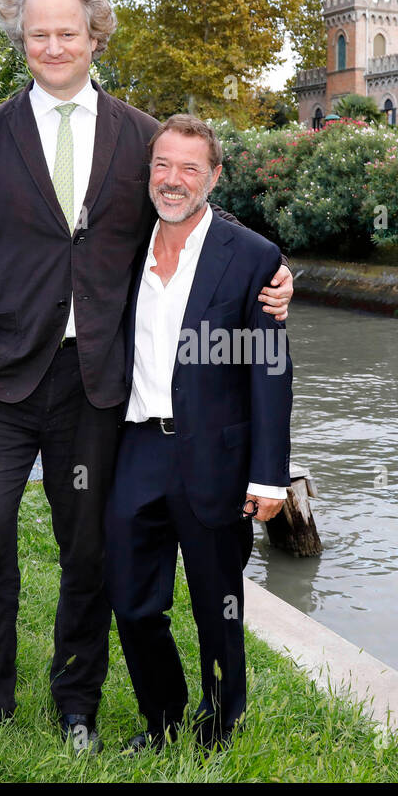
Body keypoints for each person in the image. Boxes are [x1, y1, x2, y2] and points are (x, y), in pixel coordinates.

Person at [0, 0, 293, 750]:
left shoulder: (138, 136)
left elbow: (187, 217)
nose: (52, 47)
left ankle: (76, 705)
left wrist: (273, 273)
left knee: (88, 549)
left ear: (96, 35)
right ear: (19, 40)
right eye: (36, 35)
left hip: (95, 384)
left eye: (68, 32)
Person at [105, 114, 293, 752]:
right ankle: (161, 721)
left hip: (216, 456)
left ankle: (219, 728)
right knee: (132, 603)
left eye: (190, 168)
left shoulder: (254, 258)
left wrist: (269, 476)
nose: (173, 180)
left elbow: (270, 371)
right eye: (163, 165)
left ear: (214, 176)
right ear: (148, 172)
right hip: (136, 445)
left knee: (219, 605)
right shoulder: (124, 243)